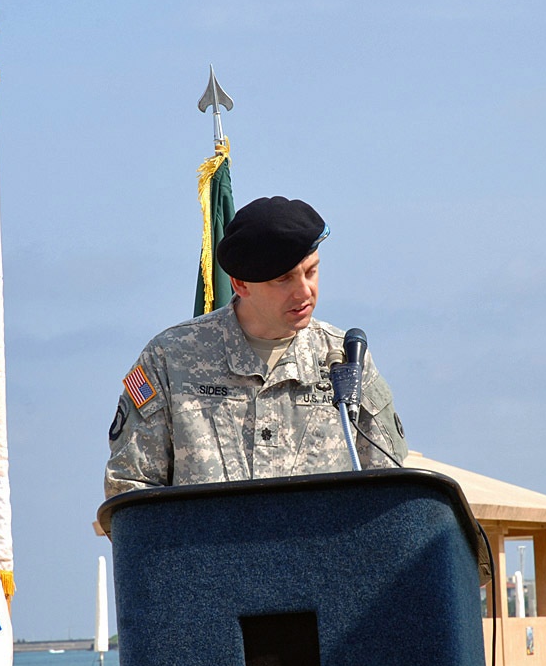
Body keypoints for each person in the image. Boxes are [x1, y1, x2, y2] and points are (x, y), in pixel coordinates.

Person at [104, 196, 408, 498]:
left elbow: (391, 491)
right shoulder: (170, 359)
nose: (304, 291)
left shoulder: (346, 362)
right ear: (240, 284)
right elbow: (129, 490)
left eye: (311, 271)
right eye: (283, 279)